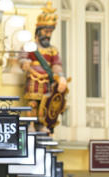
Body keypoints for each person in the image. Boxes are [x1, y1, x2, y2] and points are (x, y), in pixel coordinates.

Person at [19, 1, 68, 132]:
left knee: (44, 105)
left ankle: (41, 125)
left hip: (47, 81)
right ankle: (31, 125)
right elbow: (22, 57)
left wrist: (61, 78)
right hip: (33, 79)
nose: (48, 35)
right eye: (46, 31)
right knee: (32, 103)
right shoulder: (30, 45)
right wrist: (25, 63)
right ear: (39, 31)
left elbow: (57, 65)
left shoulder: (53, 50)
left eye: (50, 32)